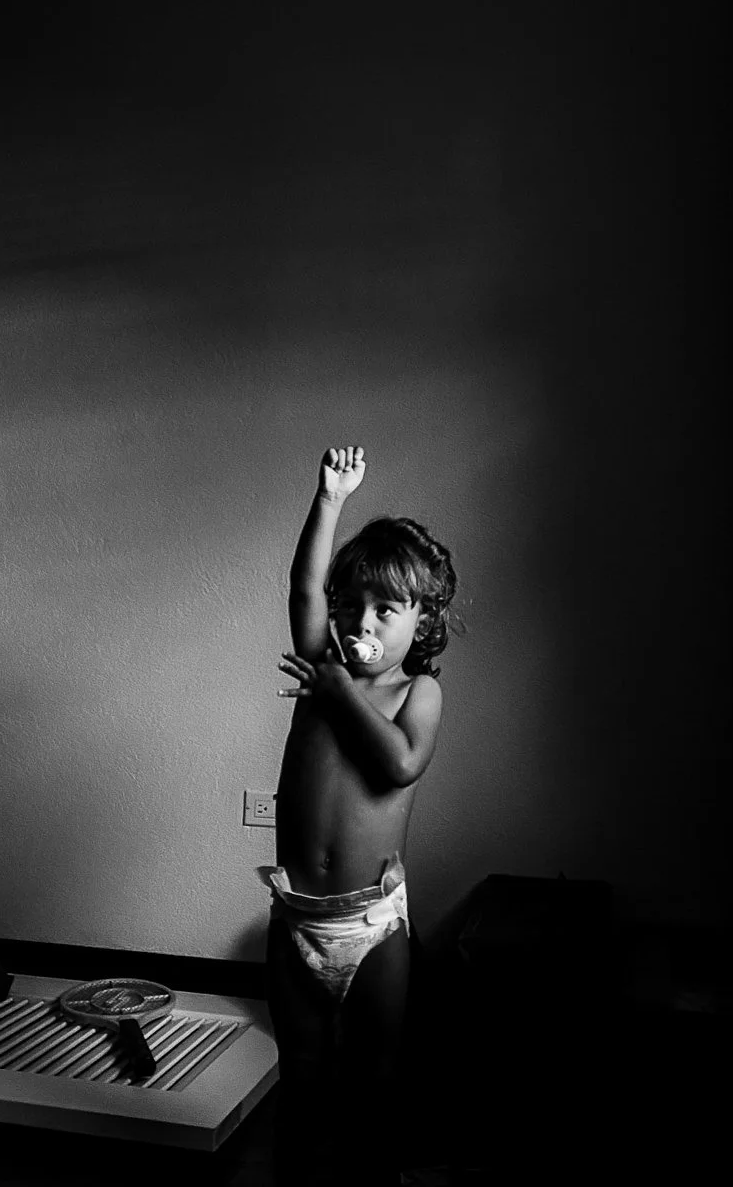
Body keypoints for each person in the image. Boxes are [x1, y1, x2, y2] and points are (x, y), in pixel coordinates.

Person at [264, 445, 458, 1187]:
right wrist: (330, 499)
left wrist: (338, 691)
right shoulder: (323, 664)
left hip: (373, 929)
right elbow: (302, 585)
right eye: (350, 604)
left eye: (385, 607)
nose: (359, 621)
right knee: (303, 1079)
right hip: (296, 921)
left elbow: (399, 765)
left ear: (422, 621)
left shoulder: (415, 694)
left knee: (372, 1084)